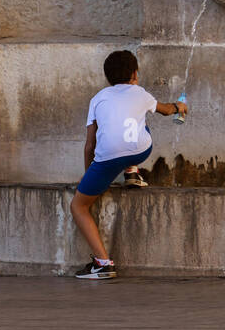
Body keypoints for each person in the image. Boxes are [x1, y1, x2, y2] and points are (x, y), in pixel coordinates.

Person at [70, 49, 186, 280]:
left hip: (107, 160)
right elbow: (165, 110)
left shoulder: (97, 98)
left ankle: (102, 263)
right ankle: (132, 172)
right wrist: (179, 107)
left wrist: (89, 177)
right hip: (141, 150)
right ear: (135, 74)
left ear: (108, 77)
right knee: (142, 131)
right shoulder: (140, 93)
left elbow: (89, 146)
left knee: (79, 206)